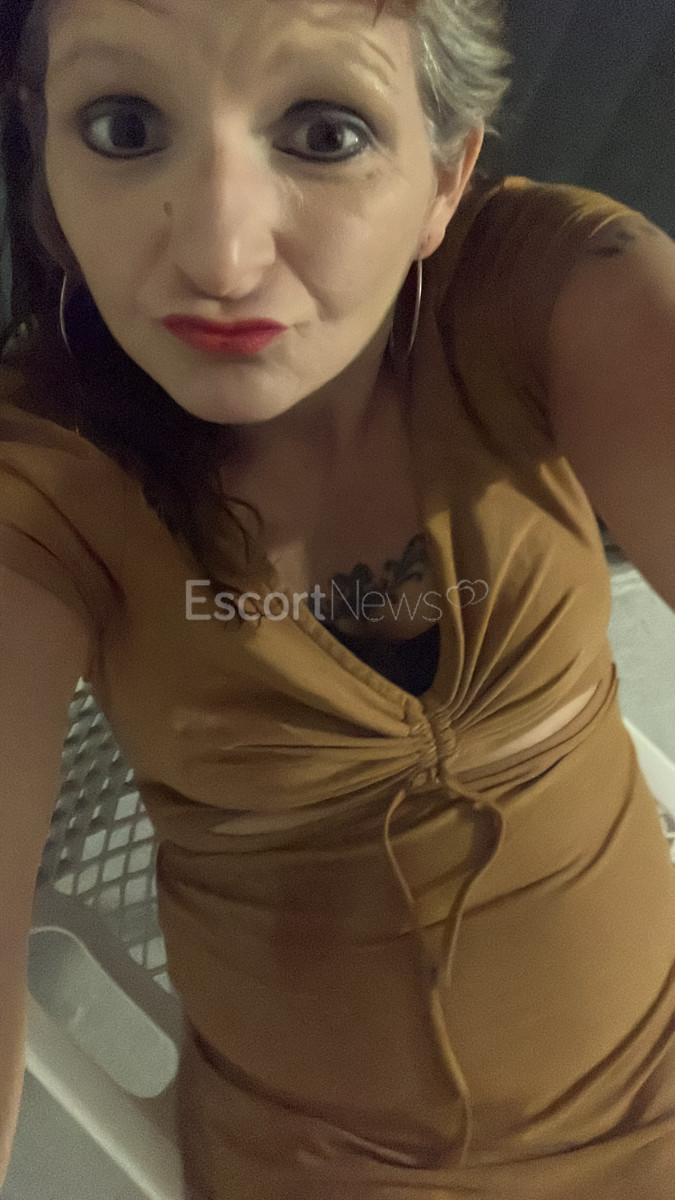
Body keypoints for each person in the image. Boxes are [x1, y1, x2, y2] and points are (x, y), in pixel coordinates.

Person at [1, 0, 674, 1195]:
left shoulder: (544, 294)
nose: (219, 259)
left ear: (444, 178)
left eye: (324, 133)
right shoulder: (41, 472)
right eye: (123, 126)